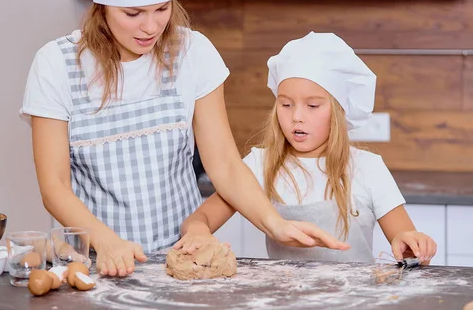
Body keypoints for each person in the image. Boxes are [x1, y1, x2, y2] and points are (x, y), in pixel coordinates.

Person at [19, 0, 347, 277]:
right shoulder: (55, 64)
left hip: (183, 260)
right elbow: (54, 185)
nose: (151, 26)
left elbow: (223, 163)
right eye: (133, 13)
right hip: (92, 263)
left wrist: (275, 224)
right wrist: (106, 242)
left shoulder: (192, 51)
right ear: (103, 7)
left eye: (162, 8)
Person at [175, 32, 438, 264]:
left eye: (313, 106)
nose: (296, 116)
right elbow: (199, 220)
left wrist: (412, 244)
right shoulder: (259, 164)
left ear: (339, 110)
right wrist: (198, 230)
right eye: (286, 104)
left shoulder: (367, 167)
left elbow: (405, 241)